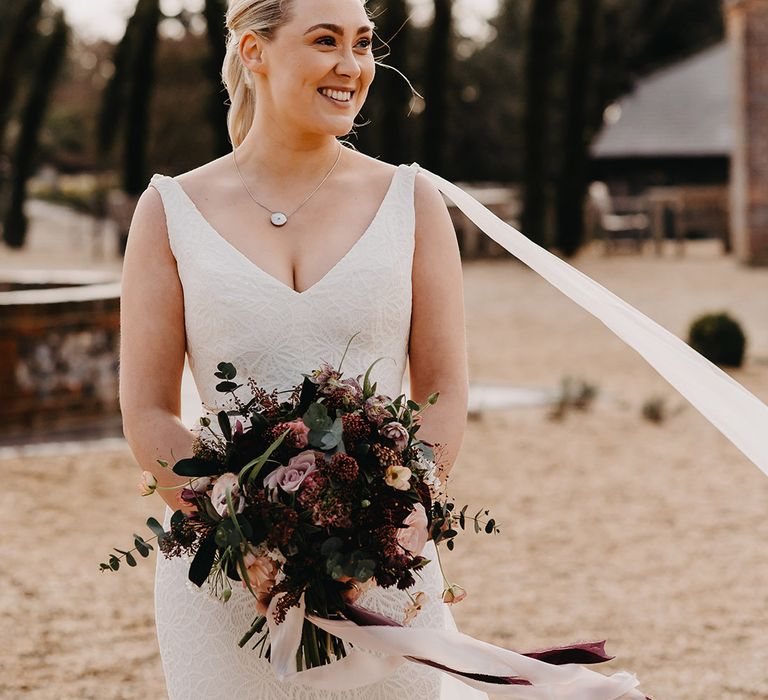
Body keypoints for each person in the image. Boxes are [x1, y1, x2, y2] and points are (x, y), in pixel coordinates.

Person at [119, 0, 649, 697]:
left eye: (363, 43)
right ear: (253, 51)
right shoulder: (169, 210)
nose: (353, 65)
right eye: (325, 41)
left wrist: (399, 526)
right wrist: (241, 538)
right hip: (222, 584)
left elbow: (444, 389)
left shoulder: (412, 200)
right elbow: (149, 411)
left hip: (382, 562)